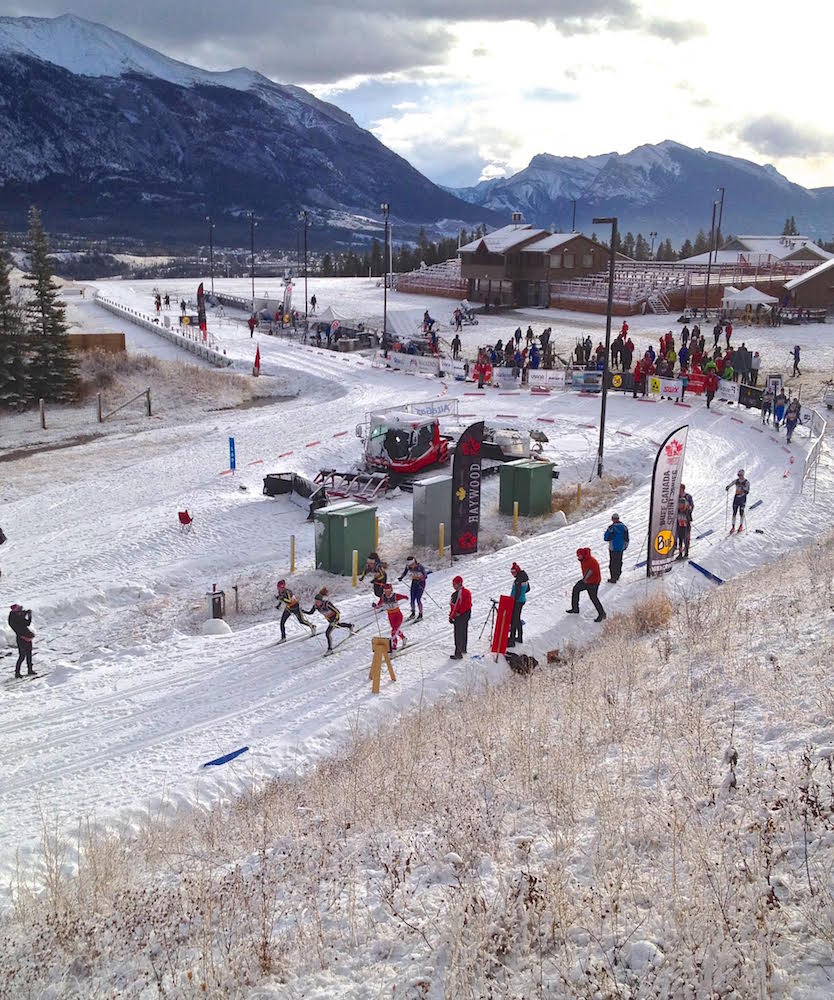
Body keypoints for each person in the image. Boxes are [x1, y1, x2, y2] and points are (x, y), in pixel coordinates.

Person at [304, 589, 354, 654]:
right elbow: (310, 612)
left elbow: (337, 612)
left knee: (327, 633)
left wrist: (335, 620)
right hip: (329, 619)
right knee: (338, 625)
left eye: (318, 601)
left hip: (335, 617)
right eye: (315, 601)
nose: (316, 602)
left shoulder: (327, 604)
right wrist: (302, 611)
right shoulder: (315, 606)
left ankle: (330, 649)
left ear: (321, 601)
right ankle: (350, 626)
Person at [566, 548, 606, 622]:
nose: (578, 557)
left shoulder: (591, 561)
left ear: (584, 555)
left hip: (593, 582)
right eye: (578, 556)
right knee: (576, 589)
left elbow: (589, 573)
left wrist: (584, 580)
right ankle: (575, 608)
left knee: (593, 598)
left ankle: (602, 613)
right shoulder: (584, 560)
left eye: (579, 556)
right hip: (587, 581)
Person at [8, 603, 36, 679]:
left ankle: (30, 670)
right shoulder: (13, 617)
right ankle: (17, 672)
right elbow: (19, 622)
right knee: (22, 656)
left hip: (26, 635)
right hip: (21, 637)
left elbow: (27, 623)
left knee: (29, 654)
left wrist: (28, 616)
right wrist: (25, 614)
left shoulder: (16, 615)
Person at [379, 583, 408, 650]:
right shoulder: (383, 597)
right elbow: (378, 605)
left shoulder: (395, 596)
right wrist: (375, 606)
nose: (386, 592)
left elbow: (404, 596)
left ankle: (394, 649)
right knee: (395, 630)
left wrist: (405, 597)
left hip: (398, 616)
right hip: (390, 617)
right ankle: (404, 638)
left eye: (388, 590)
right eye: (385, 590)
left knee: (393, 633)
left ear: (391, 590)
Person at [398, 556, 428, 621]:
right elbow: (405, 572)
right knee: (412, 598)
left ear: (414, 562)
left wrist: (420, 579)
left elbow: (425, 576)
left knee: (418, 599)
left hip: (421, 583)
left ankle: (420, 614)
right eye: (410, 565)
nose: (411, 566)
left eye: (412, 565)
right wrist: (401, 577)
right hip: (414, 583)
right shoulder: (408, 566)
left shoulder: (420, 567)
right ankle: (413, 613)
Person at [449, 575, 471, 660]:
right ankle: (463, 648)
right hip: (466, 615)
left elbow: (455, 606)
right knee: (464, 632)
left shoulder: (458, 594)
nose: (453, 586)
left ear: (459, 584)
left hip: (459, 616)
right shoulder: (467, 591)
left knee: (458, 634)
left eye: (454, 584)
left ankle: (458, 653)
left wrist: (451, 617)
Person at [508, 562, 530, 647]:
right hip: (521, 600)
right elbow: (528, 589)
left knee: (514, 620)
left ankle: (512, 640)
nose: (513, 574)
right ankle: (519, 637)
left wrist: (513, 600)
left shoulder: (518, 580)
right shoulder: (524, 577)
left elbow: (517, 592)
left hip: (517, 602)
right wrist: (522, 594)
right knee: (517, 619)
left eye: (513, 572)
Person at [603, 514, 629, 583]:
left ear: (612, 519)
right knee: (619, 561)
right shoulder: (624, 527)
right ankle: (618, 575)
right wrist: (625, 546)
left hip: (613, 548)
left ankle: (613, 578)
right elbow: (627, 538)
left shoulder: (611, 528)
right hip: (621, 547)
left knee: (612, 562)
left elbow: (606, 538)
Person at [725, 469, 750, 534]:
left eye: (740, 475)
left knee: (741, 512)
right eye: (738, 475)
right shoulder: (737, 481)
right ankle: (733, 527)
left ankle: (741, 526)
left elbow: (747, 491)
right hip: (736, 498)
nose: (739, 476)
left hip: (742, 499)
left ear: (743, 475)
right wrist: (728, 487)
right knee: (734, 512)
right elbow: (732, 483)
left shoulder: (746, 482)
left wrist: (743, 490)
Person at [675, 484, 694, 559]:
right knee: (680, 536)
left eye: (679, 489)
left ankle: (686, 551)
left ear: (682, 489)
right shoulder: (677, 497)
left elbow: (692, 506)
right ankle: (680, 552)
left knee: (686, 536)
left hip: (686, 518)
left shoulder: (688, 496)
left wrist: (688, 511)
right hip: (679, 519)